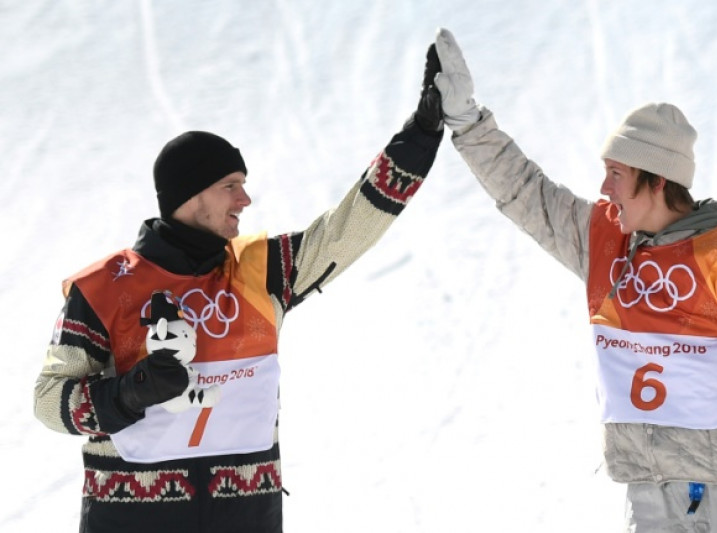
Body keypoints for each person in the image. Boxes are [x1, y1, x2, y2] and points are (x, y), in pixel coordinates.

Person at [430, 28, 717, 532]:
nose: (604, 187)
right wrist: (468, 120)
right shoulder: (606, 243)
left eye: (616, 174)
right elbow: (525, 191)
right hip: (648, 492)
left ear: (656, 179)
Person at [33, 43, 445, 533]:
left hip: (247, 518)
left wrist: (420, 137)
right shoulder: (103, 287)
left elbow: (350, 227)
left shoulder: (263, 268)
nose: (245, 199)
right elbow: (48, 402)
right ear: (192, 194)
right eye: (231, 184)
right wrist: (129, 393)